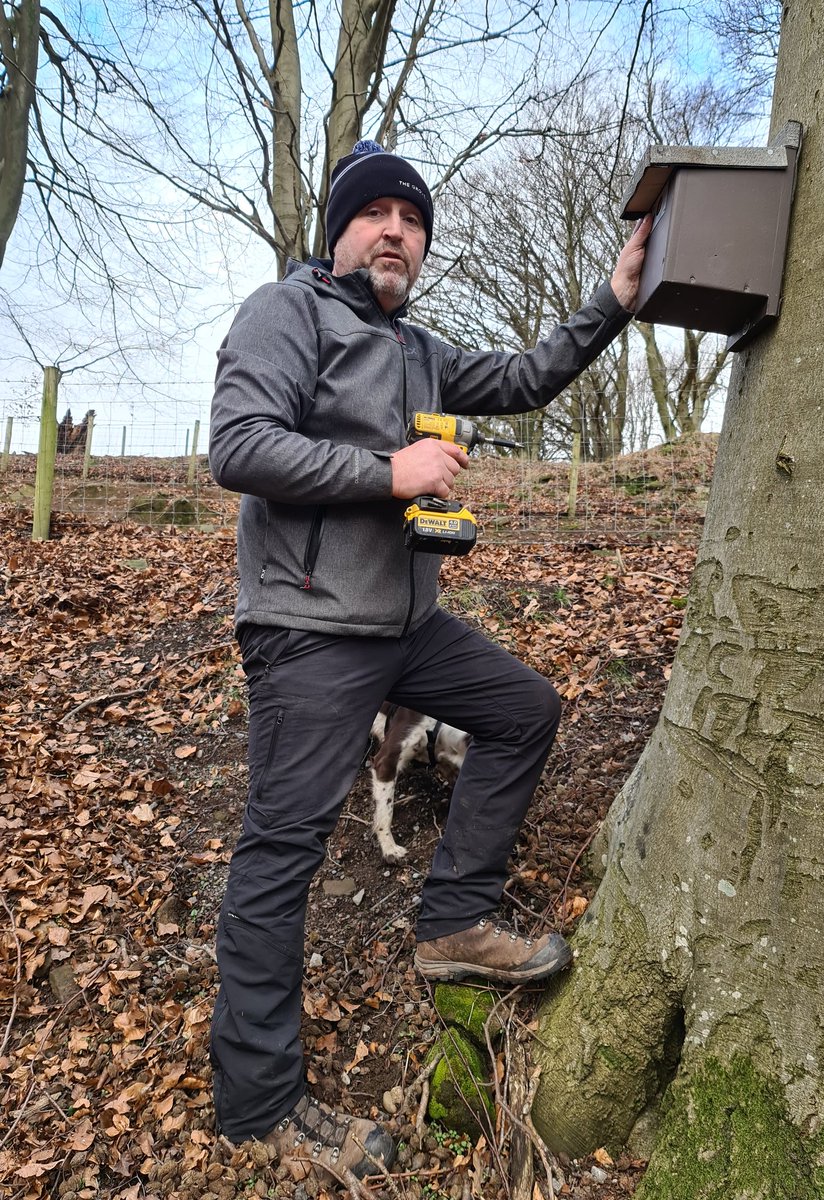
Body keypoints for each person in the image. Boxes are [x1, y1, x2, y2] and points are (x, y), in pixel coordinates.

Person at [208, 139, 651, 1186]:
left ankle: (453, 920)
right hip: (310, 628)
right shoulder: (290, 314)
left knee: (522, 709)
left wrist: (614, 300)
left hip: (404, 624)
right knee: (283, 852)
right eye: (376, 213)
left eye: (412, 218)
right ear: (339, 234)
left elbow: (528, 377)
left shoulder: (419, 347)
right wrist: (386, 469)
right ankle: (260, 1103)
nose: (396, 228)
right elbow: (238, 445)